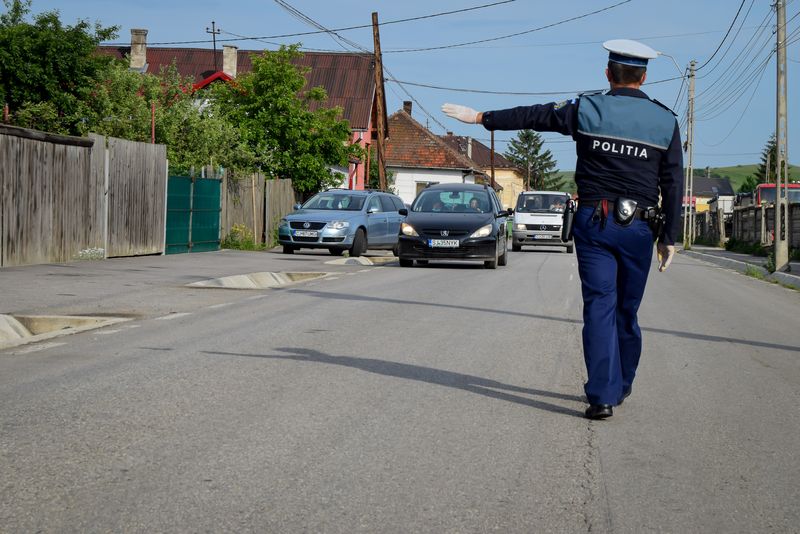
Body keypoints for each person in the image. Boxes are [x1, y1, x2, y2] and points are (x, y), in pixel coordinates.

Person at [442, 39, 683, 420]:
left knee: (600, 306)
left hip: (594, 223)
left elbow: (534, 115)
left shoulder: (586, 108)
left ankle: (602, 395)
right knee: (627, 309)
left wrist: (480, 118)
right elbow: (673, 182)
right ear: (644, 76)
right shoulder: (665, 121)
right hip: (640, 228)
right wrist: (670, 237)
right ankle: (621, 384)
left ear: (608, 74)